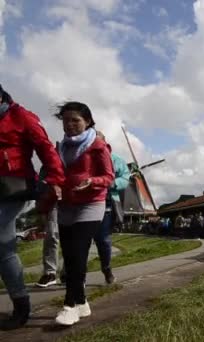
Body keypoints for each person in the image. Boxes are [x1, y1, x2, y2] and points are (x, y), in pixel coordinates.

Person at [0, 84, 65, 330]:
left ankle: (21, 304)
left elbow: (47, 150)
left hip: (16, 189)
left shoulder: (22, 117)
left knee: (2, 241)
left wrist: (56, 180)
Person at [53, 102, 114, 326]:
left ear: (87, 121)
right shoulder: (61, 147)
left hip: (91, 203)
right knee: (69, 256)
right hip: (67, 204)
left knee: (78, 253)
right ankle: (82, 302)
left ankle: (70, 306)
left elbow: (109, 177)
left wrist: (92, 181)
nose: (69, 125)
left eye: (75, 120)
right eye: (66, 121)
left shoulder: (98, 145)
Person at [94, 131, 130, 284]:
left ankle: (106, 268)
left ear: (105, 143)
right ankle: (71, 272)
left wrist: (113, 183)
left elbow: (125, 177)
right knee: (79, 241)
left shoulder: (117, 160)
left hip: (107, 202)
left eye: (98, 142)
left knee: (103, 240)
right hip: (84, 202)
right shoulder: (82, 156)